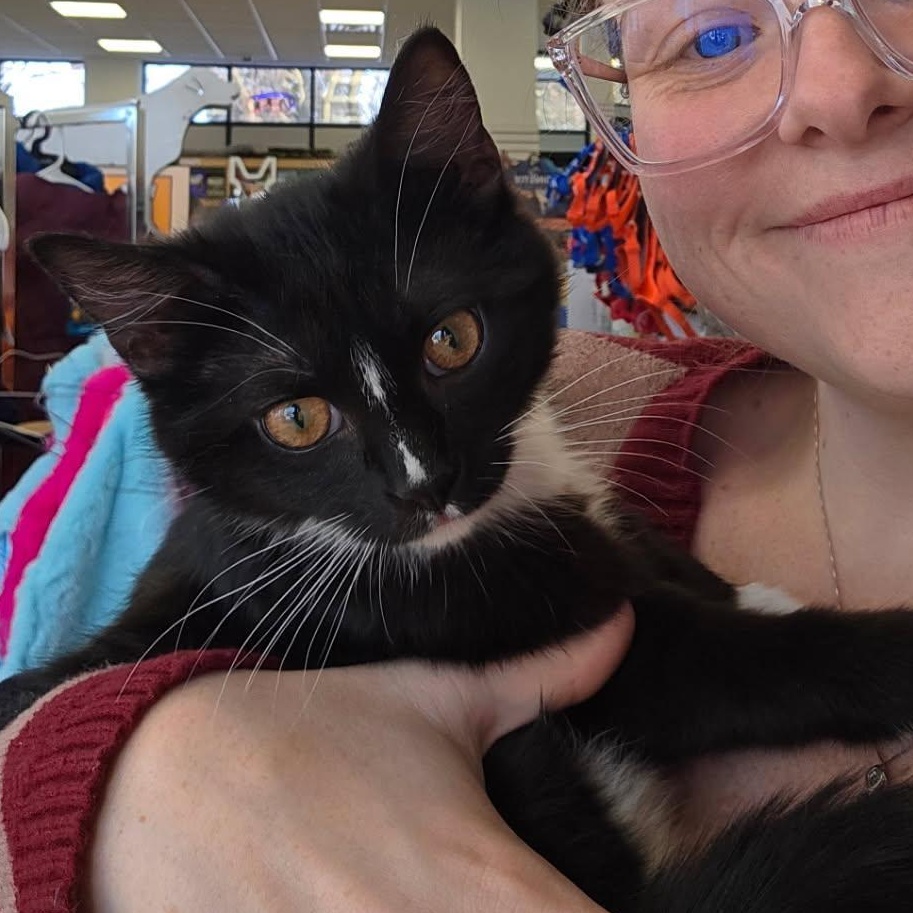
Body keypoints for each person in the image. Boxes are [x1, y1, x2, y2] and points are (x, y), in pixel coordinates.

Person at [4, 0, 913, 908]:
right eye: (713, 36)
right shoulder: (257, 568)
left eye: (450, 346)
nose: (422, 479)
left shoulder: (598, 424)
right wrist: (129, 774)